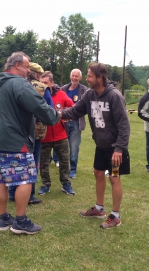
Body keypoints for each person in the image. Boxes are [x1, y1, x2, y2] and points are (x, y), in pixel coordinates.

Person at [0, 52, 59, 235]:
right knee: (26, 179)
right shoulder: (19, 84)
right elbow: (39, 106)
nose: (29, 71)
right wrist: (55, 115)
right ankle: (20, 221)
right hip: (16, 142)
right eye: (27, 67)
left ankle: (4, 219)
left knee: (1, 180)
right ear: (17, 65)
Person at [59, 62, 130, 229]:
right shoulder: (90, 94)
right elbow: (75, 111)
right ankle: (99, 209)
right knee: (98, 173)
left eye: (90, 76)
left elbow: (124, 125)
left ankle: (116, 216)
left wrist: (119, 149)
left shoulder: (114, 96)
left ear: (100, 77)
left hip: (114, 148)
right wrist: (58, 114)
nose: (87, 79)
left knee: (113, 177)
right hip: (101, 146)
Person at [8, 62, 53, 205]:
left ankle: (11, 192)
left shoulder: (13, 86)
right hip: (35, 132)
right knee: (32, 162)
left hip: (16, 131)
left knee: (15, 161)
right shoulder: (42, 88)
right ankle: (29, 195)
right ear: (38, 74)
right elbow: (49, 110)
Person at [37, 73, 75, 195]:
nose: (43, 85)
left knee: (64, 161)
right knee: (43, 163)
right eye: (41, 82)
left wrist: (62, 113)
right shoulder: (37, 96)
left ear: (52, 83)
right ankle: (45, 184)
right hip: (44, 136)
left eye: (46, 82)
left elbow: (73, 108)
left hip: (60, 135)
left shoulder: (61, 94)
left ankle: (66, 184)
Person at [60, 69, 88, 178]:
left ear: (80, 78)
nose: (74, 78)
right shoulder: (63, 89)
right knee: (62, 147)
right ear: (70, 76)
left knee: (74, 147)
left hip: (76, 123)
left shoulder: (84, 90)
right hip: (63, 123)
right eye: (73, 75)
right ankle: (63, 168)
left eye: (77, 76)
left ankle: (72, 169)